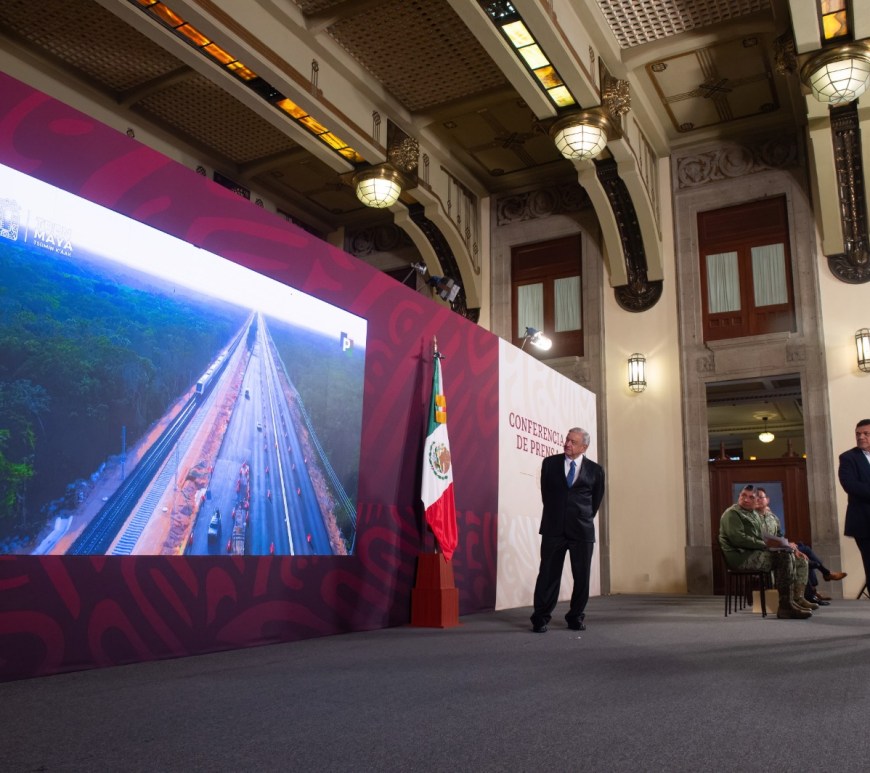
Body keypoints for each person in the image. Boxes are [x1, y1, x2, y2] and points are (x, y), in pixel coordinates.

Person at [530, 427, 605, 633]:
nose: (567, 444)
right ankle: (540, 618)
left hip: (582, 530)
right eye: (567, 440)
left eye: (573, 442)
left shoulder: (596, 470)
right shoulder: (550, 463)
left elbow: (595, 501)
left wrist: (581, 517)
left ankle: (575, 617)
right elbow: (547, 495)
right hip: (553, 528)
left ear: (584, 447)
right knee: (547, 574)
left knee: (581, 577)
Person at [718, 485, 811, 619]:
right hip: (740, 557)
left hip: (752, 553)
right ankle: (785, 606)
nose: (746, 499)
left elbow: (763, 536)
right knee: (783, 558)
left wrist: (780, 544)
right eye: (743, 495)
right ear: (739, 496)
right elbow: (738, 539)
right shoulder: (733, 514)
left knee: (787, 554)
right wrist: (765, 545)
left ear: (756, 500)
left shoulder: (753, 514)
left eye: (751, 497)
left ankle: (791, 601)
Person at [754, 488, 845, 606]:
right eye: (755, 498)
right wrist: (786, 544)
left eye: (761, 497)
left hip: (780, 549)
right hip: (766, 552)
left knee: (803, 553)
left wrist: (790, 546)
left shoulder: (772, 517)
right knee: (804, 552)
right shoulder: (752, 518)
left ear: (767, 500)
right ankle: (821, 579)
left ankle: (811, 592)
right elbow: (763, 538)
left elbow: (779, 535)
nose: (758, 500)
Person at [839, 419, 870, 592]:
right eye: (858, 434)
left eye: (866, 433)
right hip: (864, 521)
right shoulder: (848, 457)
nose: (861, 437)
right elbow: (849, 485)